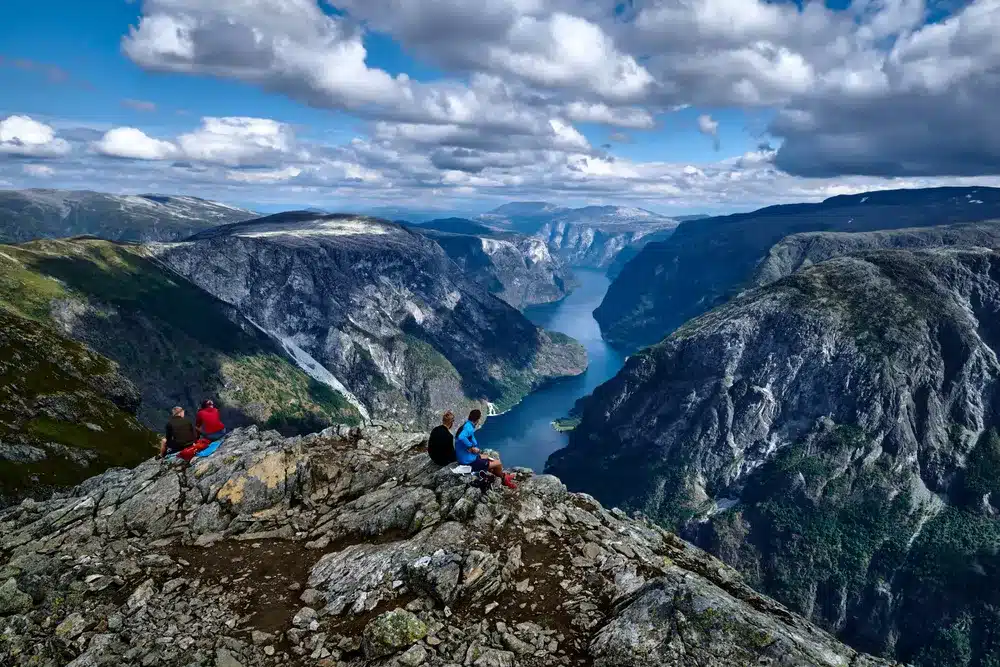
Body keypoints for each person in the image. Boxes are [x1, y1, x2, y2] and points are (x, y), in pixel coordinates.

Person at [455, 409, 517, 489]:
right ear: (477, 419)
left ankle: (503, 476)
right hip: (468, 462)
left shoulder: (466, 425)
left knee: (486, 457)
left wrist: (471, 448)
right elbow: (461, 437)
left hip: (467, 457)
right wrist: (471, 446)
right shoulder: (469, 428)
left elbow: (460, 440)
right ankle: (505, 480)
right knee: (498, 463)